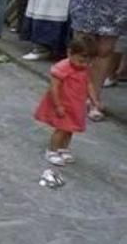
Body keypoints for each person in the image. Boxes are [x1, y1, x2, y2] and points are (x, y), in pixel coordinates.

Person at [33, 37, 99, 166]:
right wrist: (58, 105)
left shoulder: (84, 68)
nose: (85, 64)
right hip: (63, 103)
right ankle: (52, 150)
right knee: (61, 129)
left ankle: (63, 148)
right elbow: (54, 87)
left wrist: (94, 99)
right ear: (70, 53)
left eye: (88, 62)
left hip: (76, 104)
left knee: (70, 129)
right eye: (81, 61)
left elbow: (88, 83)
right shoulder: (62, 67)